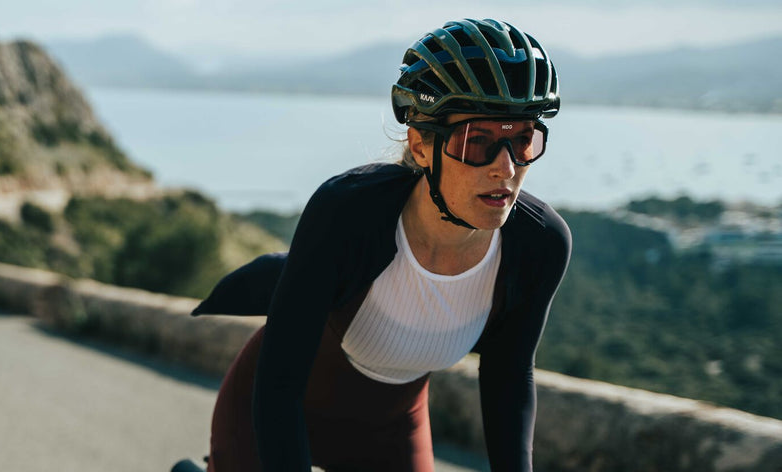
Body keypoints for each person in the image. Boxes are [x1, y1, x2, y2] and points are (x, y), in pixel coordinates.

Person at [190, 18, 571, 472]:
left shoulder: (539, 244)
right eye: (478, 141)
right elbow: (279, 388)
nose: (505, 169)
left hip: (391, 429)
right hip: (274, 407)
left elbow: (508, 378)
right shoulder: (346, 213)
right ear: (421, 145)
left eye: (522, 140)